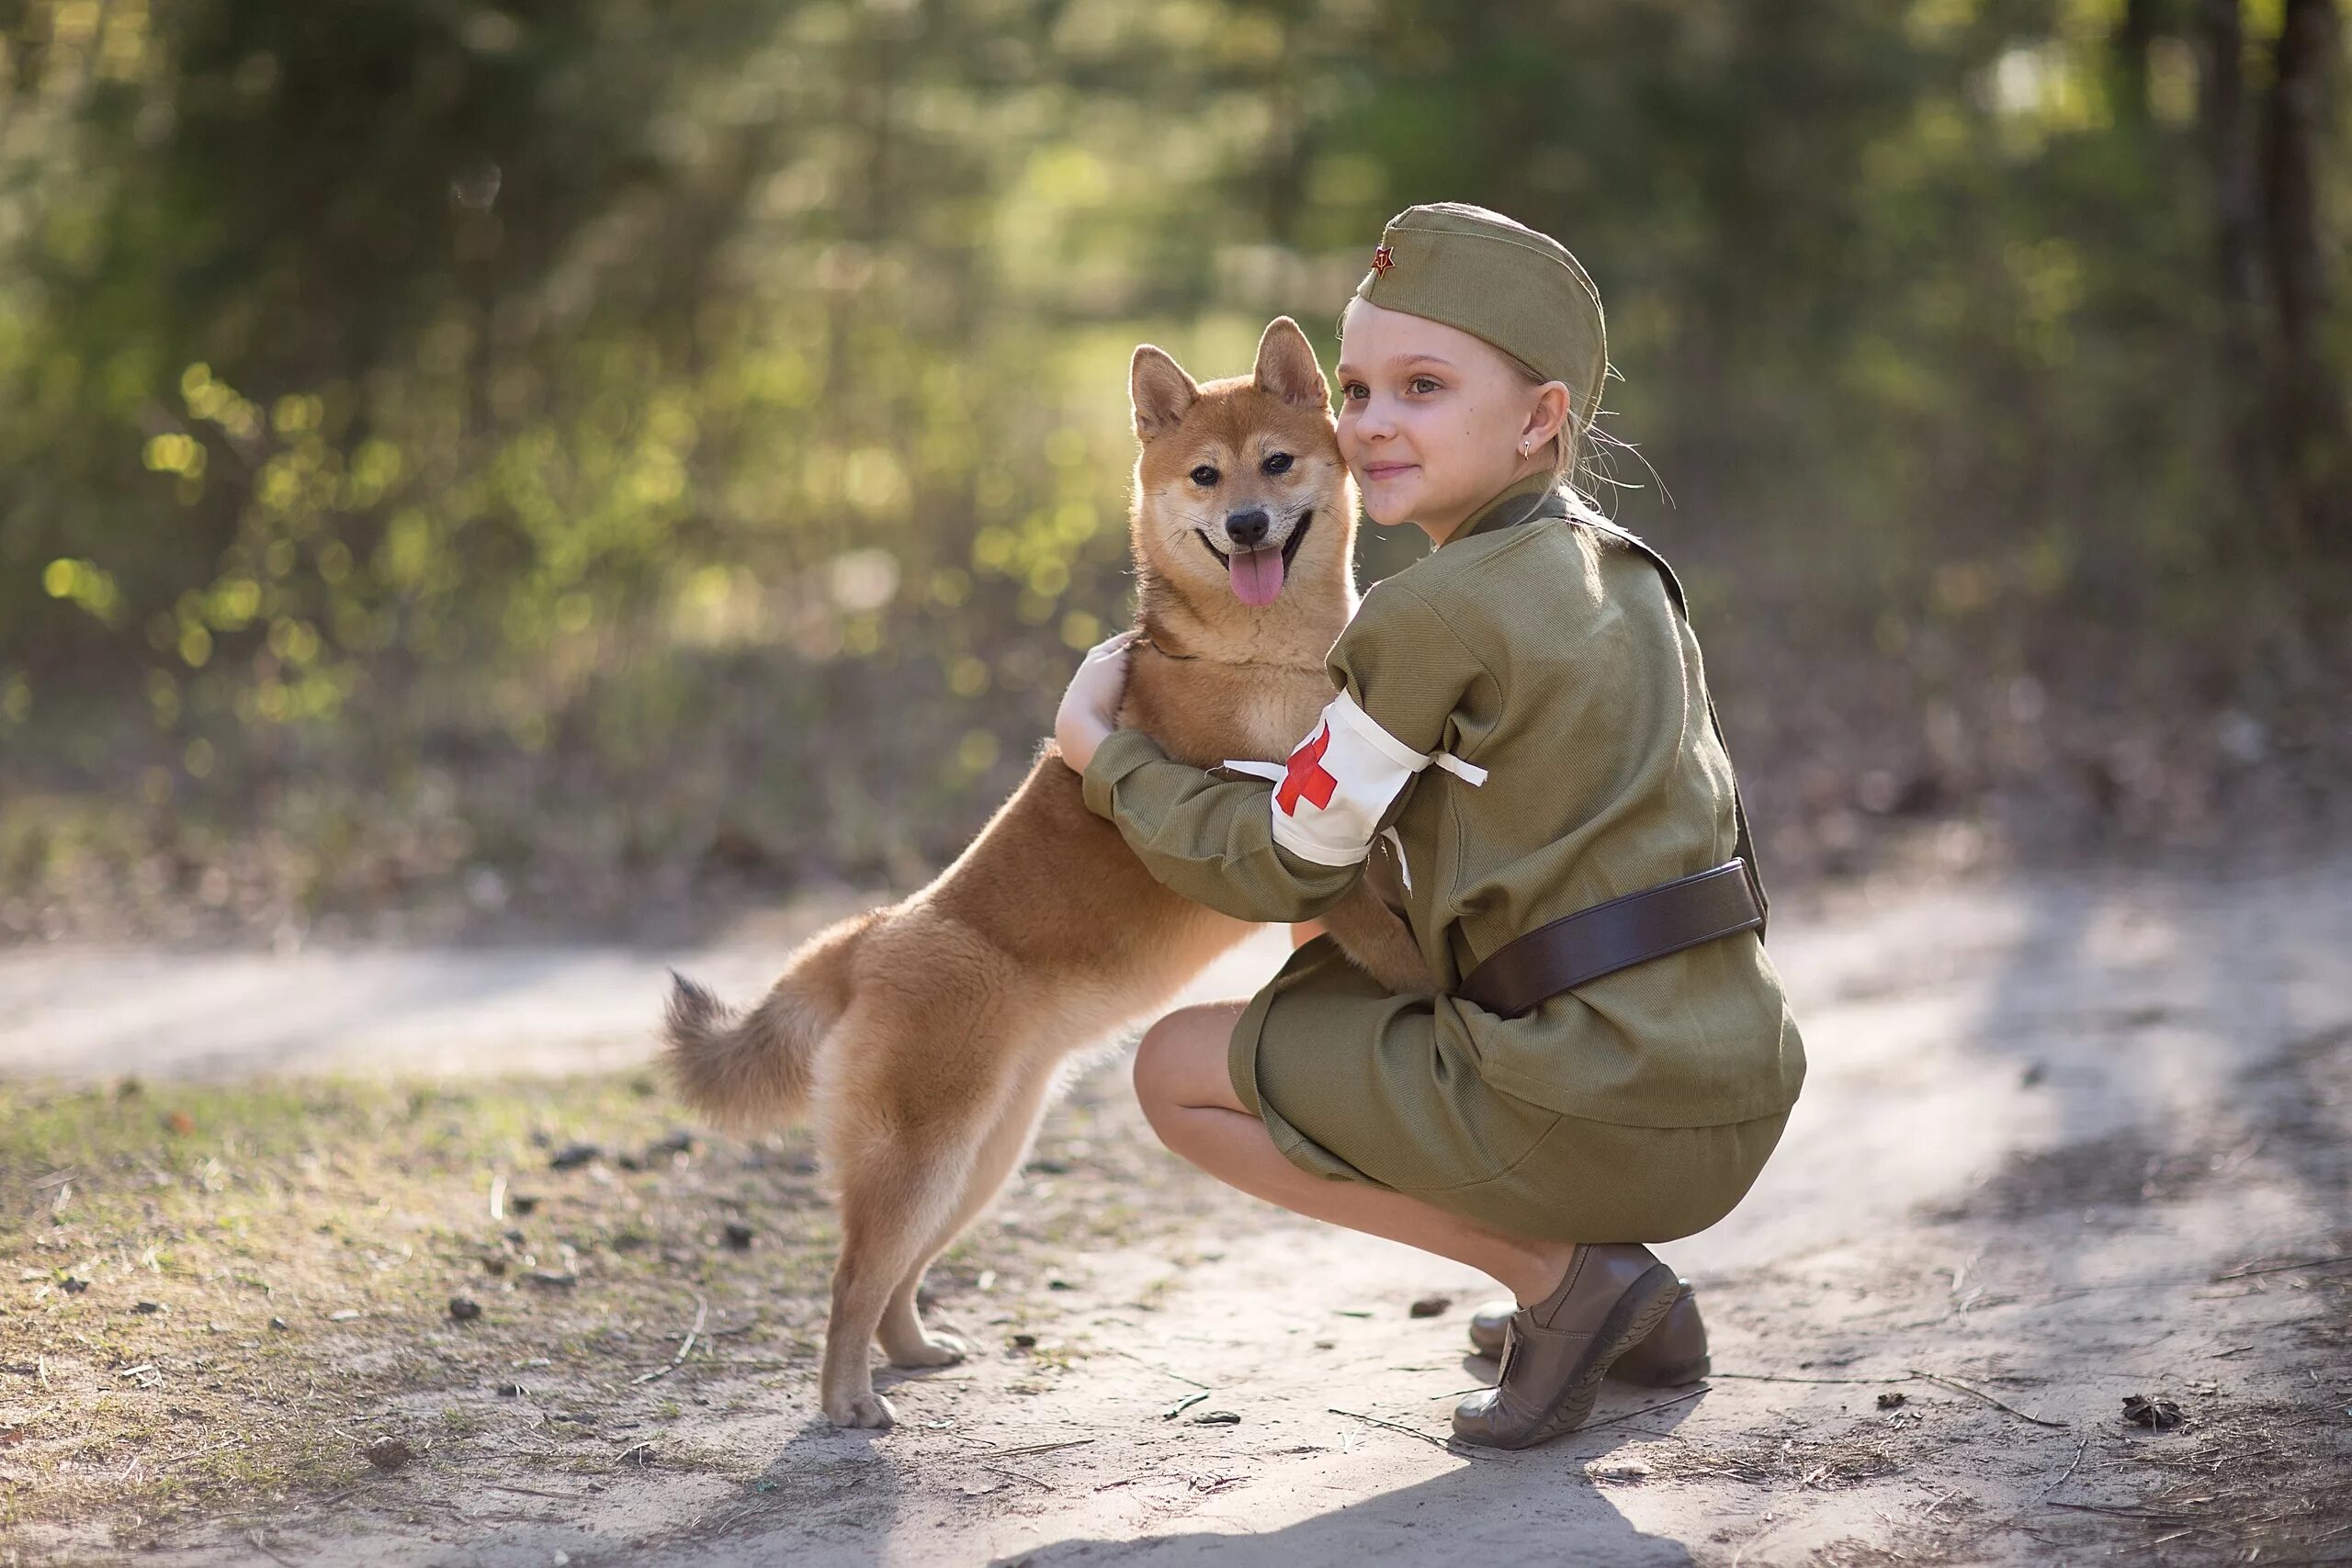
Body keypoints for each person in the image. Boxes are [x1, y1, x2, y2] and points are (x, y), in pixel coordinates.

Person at [1052, 202, 1805, 1450]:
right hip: (1729, 1077)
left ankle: (1565, 1279)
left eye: (1423, 386)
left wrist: (1109, 762)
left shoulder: (1427, 618)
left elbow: (1281, 867)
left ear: (1539, 419)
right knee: (1325, 991)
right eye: (1355, 389)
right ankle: (1629, 1297)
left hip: (1596, 1096)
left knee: (1176, 1074)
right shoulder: (1627, 572)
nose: (1372, 422)